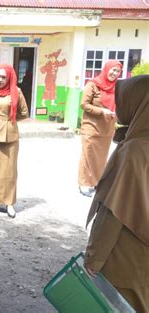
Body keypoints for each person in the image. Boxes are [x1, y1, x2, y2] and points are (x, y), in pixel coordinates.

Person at [84, 75, 149, 312]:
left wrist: (94, 258)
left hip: (124, 257)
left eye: (125, 99)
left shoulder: (134, 151)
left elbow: (113, 211)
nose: (118, 105)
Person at [0, 64, 28, 218]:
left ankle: (9, 203)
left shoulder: (17, 92)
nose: (0, 80)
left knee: (9, 172)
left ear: (8, 78)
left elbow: (24, 112)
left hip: (10, 137)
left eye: (3, 77)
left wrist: (10, 120)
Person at [78, 60, 122, 197]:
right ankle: (84, 183)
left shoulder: (118, 87)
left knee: (101, 158)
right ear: (106, 69)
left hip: (107, 128)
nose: (114, 73)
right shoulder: (93, 84)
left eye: (117, 71)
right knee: (88, 155)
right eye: (112, 70)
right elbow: (84, 104)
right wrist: (102, 111)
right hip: (91, 127)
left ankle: (96, 182)